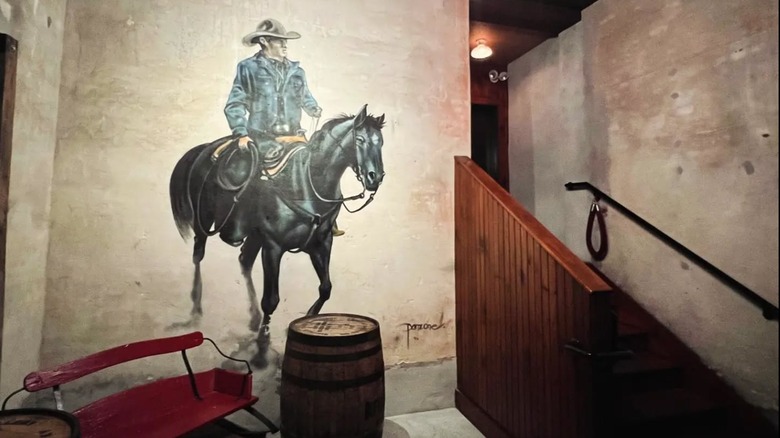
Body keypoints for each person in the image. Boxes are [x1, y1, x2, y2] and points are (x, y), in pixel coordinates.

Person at [222, 18, 345, 236]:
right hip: (262, 137)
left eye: (286, 41)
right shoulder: (248, 68)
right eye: (280, 41)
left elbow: (305, 96)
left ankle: (328, 217)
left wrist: (313, 108)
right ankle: (242, 222)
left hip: (294, 136)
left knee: (319, 165)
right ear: (264, 41)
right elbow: (235, 103)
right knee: (252, 174)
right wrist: (241, 134)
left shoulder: (297, 71)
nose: (285, 45)